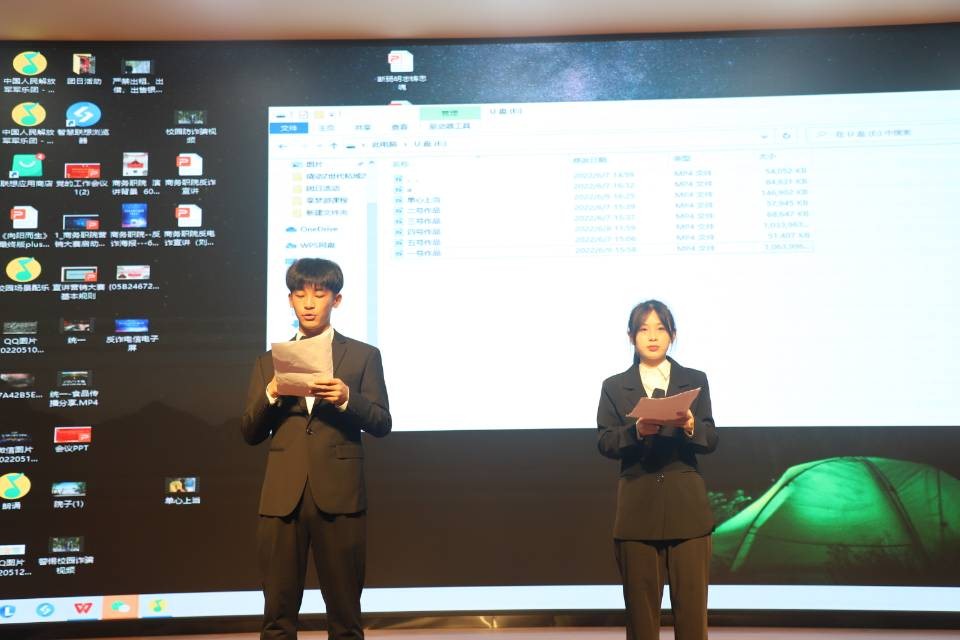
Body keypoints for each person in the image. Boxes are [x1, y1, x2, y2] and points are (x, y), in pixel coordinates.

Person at [241, 258, 392, 640]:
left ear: (336, 300)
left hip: (340, 497)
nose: (309, 303)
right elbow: (250, 432)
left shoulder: (362, 355)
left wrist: (347, 398)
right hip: (281, 500)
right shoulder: (267, 363)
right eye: (299, 294)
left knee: (345, 618)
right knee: (277, 617)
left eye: (319, 294)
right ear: (290, 300)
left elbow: (381, 422)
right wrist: (271, 393)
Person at [597, 299, 719, 640]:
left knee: (692, 613)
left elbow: (711, 439)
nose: (652, 336)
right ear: (631, 336)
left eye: (661, 329)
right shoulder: (614, 385)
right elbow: (605, 441)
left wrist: (691, 425)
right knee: (641, 615)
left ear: (673, 334)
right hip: (637, 508)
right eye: (643, 329)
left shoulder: (694, 380)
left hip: (687, 510)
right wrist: (635, 432)